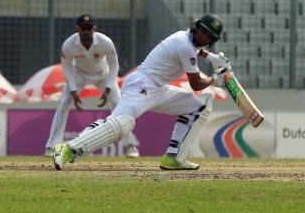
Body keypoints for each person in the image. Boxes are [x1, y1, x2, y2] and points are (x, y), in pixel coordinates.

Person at [53, 13, 230, 171]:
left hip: (158, 88)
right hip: (142, 86)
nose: (203, 36)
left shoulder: (183, 38)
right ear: (196, 27)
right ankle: (68, 149)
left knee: (199, 105)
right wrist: (216, 79)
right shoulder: (185, 46)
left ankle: (174, 158)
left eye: (208, 36)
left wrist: (212, 57)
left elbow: (195, 51)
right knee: (122, 124)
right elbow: (197, 84)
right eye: (203, 31)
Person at [45, 14, 139, 158]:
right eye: (83, 28)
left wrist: (107, 90)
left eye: (89, 28)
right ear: (77, 29)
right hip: (78, 74)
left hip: (103, 74)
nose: (86, 31)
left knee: (119, 104)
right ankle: (52, 146)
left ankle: (130, 146)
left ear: (94, 29)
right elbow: (67, 68)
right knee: (64, 103)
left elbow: (114, 66)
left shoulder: (105, 42)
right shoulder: (69, 45)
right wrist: (74, 91)